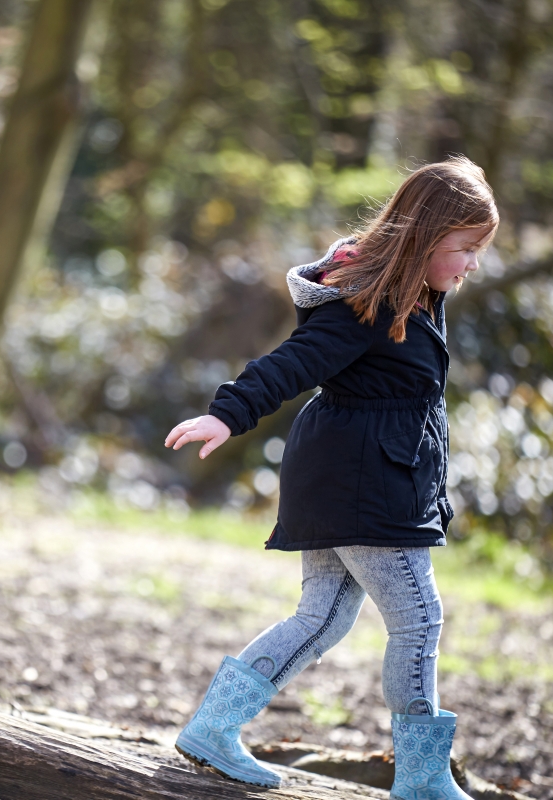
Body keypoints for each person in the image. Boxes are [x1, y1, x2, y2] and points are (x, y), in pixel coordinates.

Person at [164, 156, 497, 798]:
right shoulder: (364, 302)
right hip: (361, 482)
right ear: (426, 237)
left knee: (322, 617)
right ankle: (423, 777)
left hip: (346, 472)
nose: (472, 264)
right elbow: (295, 361)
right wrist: (226, 416)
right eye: (465, 249)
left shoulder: (419, 293)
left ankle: (213, 725)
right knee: (419, 619)